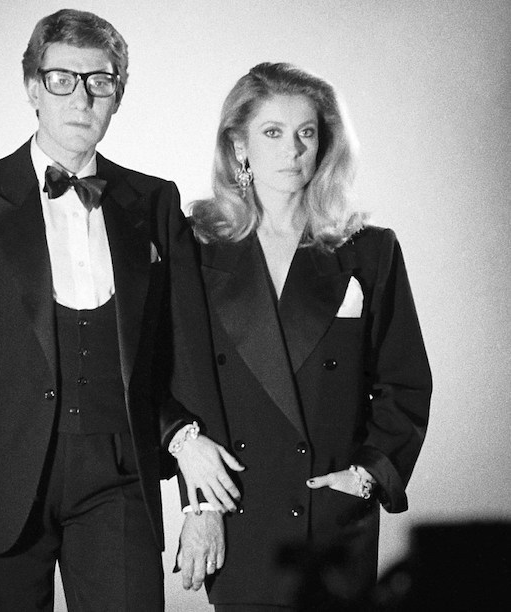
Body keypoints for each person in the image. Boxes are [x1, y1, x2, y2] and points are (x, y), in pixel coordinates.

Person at [0, 9, 236, 611]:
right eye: (62, 79)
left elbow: (187, 355)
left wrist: (201, 504)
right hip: (2, 484)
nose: (81, 98)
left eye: (100, 81)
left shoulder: (156, 202)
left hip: (122, 476)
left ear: (119, 96)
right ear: (33, 88)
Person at [173, 62, 433, 610]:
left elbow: (404, 382)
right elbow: (171, 380)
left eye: (306, 133)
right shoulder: (193, 248)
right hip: (240, 512)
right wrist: (199, 505)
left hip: (332, 518)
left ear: (324, 144)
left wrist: (366, 475)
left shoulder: (370, 250)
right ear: (239, 146)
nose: (292, 150)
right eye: (272, 132)